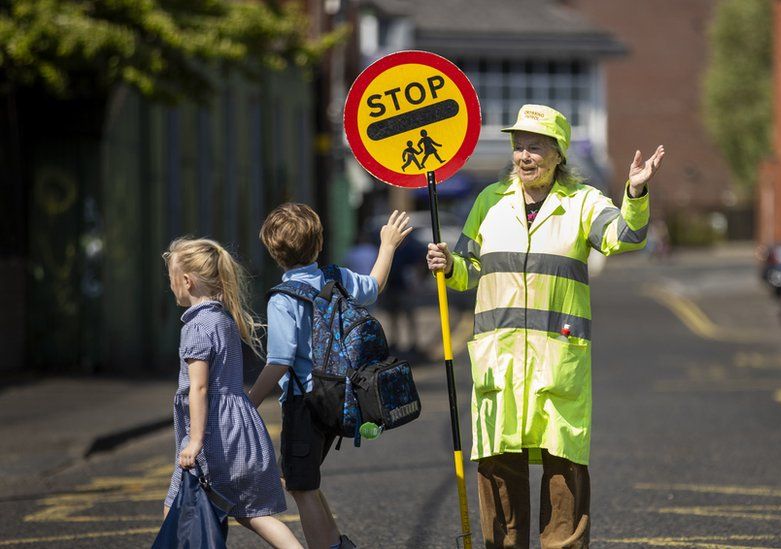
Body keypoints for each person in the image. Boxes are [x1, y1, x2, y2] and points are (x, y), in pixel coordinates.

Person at [426, 104, 665, 548]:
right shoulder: (489, 202)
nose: (524, 156)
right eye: (519, 146)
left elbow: (626, 238)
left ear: (558, 154)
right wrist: (448, 264)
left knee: (563, 474)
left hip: (556, 366)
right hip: (498, 364)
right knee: (498, 471)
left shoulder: (583, 203)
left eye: (535, 146)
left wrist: (635, 191)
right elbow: (468, 271)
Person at [248, 204, 413, 549]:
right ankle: (335, 543)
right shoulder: (336, 277)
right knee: (301, 481)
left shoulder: (283, 299)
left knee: (301, 486)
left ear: (274, 253)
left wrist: (249, 403)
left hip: (304, 400)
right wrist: (388, 245)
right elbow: (374, 286)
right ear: (319, 244)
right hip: (342, 394)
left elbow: (279, 360)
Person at [162, 237, 302, 549]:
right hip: (242, 432)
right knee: (253, 514)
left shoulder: (195, 327)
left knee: (176, 508)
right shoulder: (224, 319)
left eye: (171, 279)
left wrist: (195, 441)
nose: (171, 286)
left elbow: (199, 387)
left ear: (187, 281)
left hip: (214, 438)